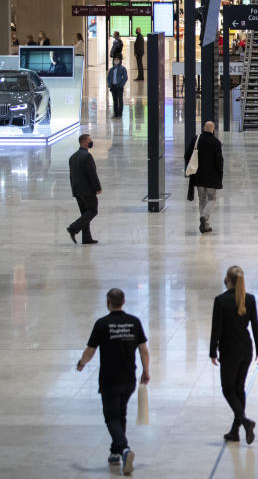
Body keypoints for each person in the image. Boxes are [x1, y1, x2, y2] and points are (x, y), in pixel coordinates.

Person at [77, 288, 148, 475]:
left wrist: (81, 363)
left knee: (111, 418)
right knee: (121, 414)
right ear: (124, 301)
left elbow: (90, 350)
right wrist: (146, 371)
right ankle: (115, 452)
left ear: (108, 302)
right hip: (129, 379)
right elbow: (143, 350)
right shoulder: (134, 322)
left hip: (109, 380)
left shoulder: (102, 324)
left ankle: (124, 450)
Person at [210, 266, 258, 444]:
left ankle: (245, 421)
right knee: (239, 389)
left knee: (227, 389)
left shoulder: (221, 301)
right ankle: (235, 431)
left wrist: (212, 351)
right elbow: (255, 325)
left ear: (228, 280)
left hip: (229, 351)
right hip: (246, 350)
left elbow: (216, 329)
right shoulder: (249, 299)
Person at [185, 121, 224, 234]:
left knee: (202, 200)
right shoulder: (216, 142)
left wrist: (192, 168)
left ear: (203, 128)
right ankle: (204, 217)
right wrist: (220, 174)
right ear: (213, 129)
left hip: (198, 176)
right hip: (212, 177)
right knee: (212, 199)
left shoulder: (196, 139)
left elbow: (187, 155)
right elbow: (219, 161)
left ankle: (205, 225)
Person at [67, 134, 102, 244]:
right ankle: (73, 228)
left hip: (77, 190)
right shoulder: (87, 156)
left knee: (85, 213)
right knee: (93, 210)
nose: (91, 142)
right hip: (87, 190)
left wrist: (73, 189)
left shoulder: (72, 157)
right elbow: (92, 174)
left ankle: (86, 238)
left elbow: (71, 175)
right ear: (83, 142)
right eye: (89, 140)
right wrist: (98, 188)